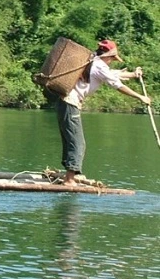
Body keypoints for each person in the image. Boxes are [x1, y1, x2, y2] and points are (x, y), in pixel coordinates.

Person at [56, 39, 150, 185]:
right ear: (109, 55)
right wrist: (140, 97)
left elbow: (111, 74)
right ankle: (69, 179)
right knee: (77, 142)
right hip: (70, 103)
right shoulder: (100, 65)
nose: (112, 61)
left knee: (71, 140)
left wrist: (133, 74)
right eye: (112, 58)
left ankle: (70, 175)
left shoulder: (93, 60)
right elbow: (117, 85)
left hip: (65, 103)